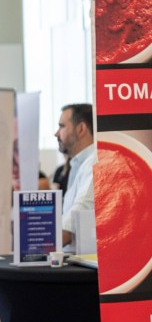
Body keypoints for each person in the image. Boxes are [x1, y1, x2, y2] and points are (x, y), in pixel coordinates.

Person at [55, 103, 95, 251]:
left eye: (62, 126)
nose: (56, 133)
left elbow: (77, 216)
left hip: (83, 268)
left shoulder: (94, 163)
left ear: (81, 129)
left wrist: (39, 248)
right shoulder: (78, 164)